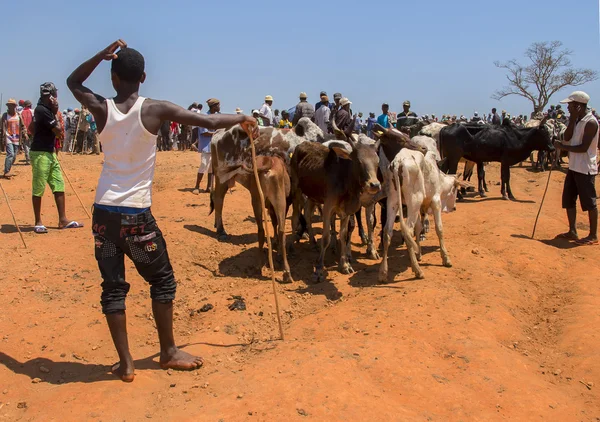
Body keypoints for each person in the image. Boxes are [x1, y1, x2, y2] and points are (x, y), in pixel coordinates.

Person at [67, 40, 257, 382]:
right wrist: (242, 117)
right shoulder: (154, 109)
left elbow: (73, 83)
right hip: (136, 219)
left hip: (103, 217)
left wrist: (99, 55)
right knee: (162, 280)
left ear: (113, 77)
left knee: (113, 286)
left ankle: (126, 364)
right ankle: (168, 352)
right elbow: (210, 120)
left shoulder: (101, 108)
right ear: (143, 76)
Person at [29, 82, 81, 233]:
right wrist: (56, 111)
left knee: (58, 184)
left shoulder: (44, 110)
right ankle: (38, 221)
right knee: (39, 186)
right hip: (40, 153)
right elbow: (58, 131)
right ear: (51, 96)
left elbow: (32, 128)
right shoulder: (42, 110)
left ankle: (62, 219)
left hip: (49, 152)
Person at [552, 91, 599, 246]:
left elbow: (584, 147)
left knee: (589, 203)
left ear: (578, 106)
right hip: (573, 167)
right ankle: (572, 230)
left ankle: (593, 235)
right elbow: (567, 137)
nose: (567, 108)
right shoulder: (577, 120)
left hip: (585, 168)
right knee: (568, 199)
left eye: (570, 106)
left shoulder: (591, 122)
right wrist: (572, 120)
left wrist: (564, 147)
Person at [193, 98, 220, 194]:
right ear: (213, 106)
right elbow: (204, 133)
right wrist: (217, 133)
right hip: (206, 145)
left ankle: (209, 186)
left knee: (211, 167)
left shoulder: (217, 117)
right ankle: (197, 186)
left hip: (214, 145)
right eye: (218, 105)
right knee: (204, 165)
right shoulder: (204, 117)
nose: (219, 107)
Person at [1, 98, 27, 177]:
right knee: (10, 154)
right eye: (9, 106)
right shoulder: (5, 116)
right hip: (8, 137)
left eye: (11, 105)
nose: (10, 107)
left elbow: (23, 126)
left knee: (14, 156)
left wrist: (25, 133)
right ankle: (6, 171)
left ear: (14, 106)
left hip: (16, 138)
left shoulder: (18, 115)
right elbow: (2, 127)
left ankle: (7, 167)